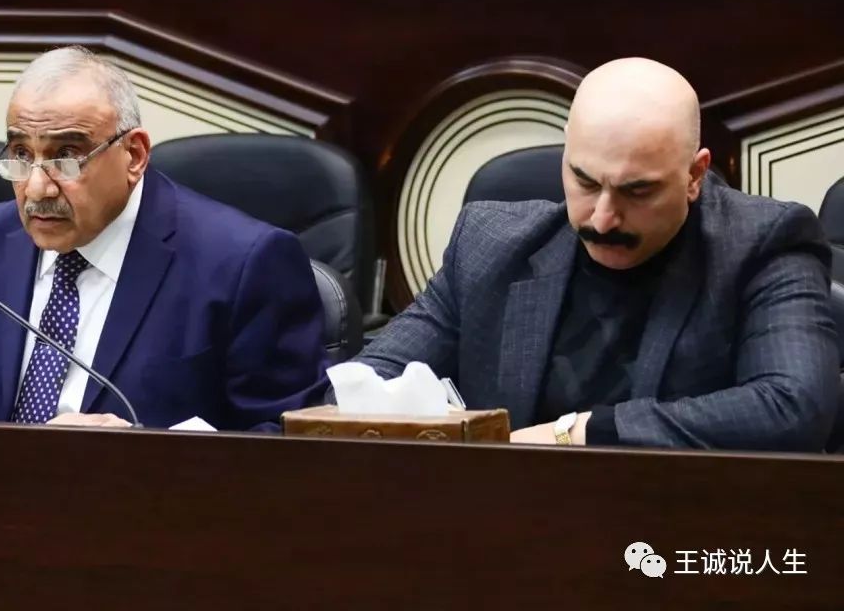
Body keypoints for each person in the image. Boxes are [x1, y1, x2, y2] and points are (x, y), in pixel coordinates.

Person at [351, 57, 838, 451]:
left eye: (637, 191)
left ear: (694, 175)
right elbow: (361, 388)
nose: (602, 220)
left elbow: (793, 408)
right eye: (584, 182)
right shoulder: (489, 245)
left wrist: (581, 432)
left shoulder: (763, 244)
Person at [0, 45, 329, 430]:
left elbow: (285, 444)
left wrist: (141, 455)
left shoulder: (243, 263)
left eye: (66, 156)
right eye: (21, 155)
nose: (37, 188)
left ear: (134, 155)